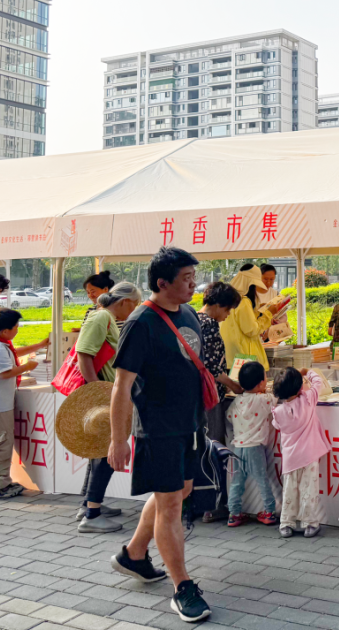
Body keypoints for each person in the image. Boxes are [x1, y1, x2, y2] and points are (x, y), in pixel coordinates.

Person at [108, 246, 211, 623]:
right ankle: (182, 586)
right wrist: (118, 439)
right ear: (162, 283)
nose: (194, 284)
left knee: (178, 492)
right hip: (158, 429)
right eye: (186, 279)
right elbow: (121, 385)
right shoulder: (141, 322)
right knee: (171, 504)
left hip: (190, 425)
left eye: (194, 277)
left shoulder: (189, 313)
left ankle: (134, 554)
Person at [76, 282, 142, 534]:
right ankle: (91, 514)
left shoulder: (107, 318)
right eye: (134, 304)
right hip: (104, 395)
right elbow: (84, 354)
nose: (134, 310)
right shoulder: (102, 317)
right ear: (124, 302)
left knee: (101, 453)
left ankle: (90, 505)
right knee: (105, 454)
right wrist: (99, 392)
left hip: (108, 393)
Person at [0, 308, 48, 499]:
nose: (18, 329)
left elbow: (14, 353)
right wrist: (27, 367)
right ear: (5, 331)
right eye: (16, 327)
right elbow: (5, 373)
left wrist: (40, 345)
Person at [196, 281, 244, 524]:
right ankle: (215, 505)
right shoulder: (211, 325)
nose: (227, 316)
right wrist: (234, 385)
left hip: (191, 397)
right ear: (218, 305)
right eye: (228, 310)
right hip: (210, 397)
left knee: (195, 450)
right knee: (214, 448)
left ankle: (193, 501)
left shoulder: (190, 318)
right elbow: (214, 369)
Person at [271, 366, 329, 538]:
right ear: (300, 388)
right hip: (309, 456)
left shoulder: (278, 412)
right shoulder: (309, 399)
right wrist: (307, 372)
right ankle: (310, 524)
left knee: (289, 491)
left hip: (290, 459)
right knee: (309, 491)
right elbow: (318, 382)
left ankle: (286, 524)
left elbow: (277, 426)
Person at [225, 361, 278, 527]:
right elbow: (277, 398)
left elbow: (229, 416)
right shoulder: (263, 400)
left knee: (236, 481)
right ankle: (269, 511)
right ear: (261, 383)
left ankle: (234, 514)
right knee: (262, 479)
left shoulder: (237, 401)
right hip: (255, 448)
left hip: (237, 448)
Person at [220, 266, 282, 369]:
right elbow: (252, 330)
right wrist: (268, 313)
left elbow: (242, 322)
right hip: (243, 356)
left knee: (233, 380)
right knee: (243, 380)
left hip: (231, 354)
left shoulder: (228, 298)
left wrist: (258, 312)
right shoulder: (243, 302)